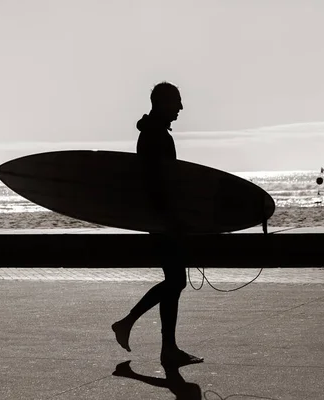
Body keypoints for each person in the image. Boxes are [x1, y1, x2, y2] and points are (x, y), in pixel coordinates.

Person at [111, 82, 203, 368]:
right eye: (176, 102)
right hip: (163, 219)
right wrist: (174, 218)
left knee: (174, 282)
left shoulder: (153, 133)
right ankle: (129, 324)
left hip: (161, 217)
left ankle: (167, 347)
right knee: (175, 281)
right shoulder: (155, 136)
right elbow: (159, 183)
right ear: (162, 103)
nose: (180, 108)